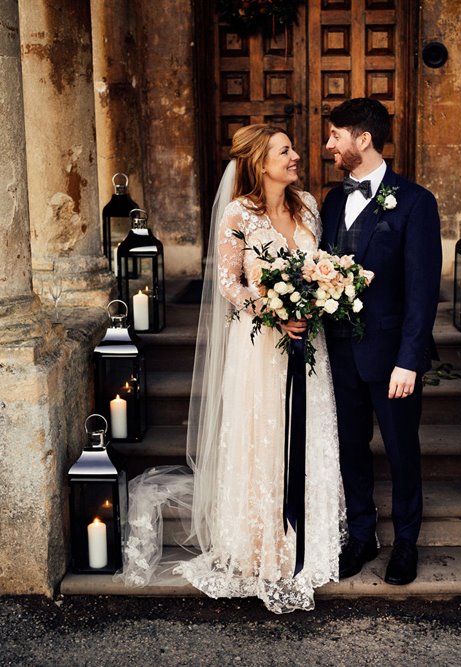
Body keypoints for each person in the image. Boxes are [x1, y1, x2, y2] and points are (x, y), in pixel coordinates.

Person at [173, 125, 345, 613]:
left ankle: (304, 545)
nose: (295, 157)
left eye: (292, 149)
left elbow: (321, 266)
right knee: (261, 438)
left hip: (308, 343)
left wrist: (318, 297)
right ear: (259, 162)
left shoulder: (308, 204)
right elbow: (229, 283)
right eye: (284, 150)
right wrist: (273, 309)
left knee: (308, 434)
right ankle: (258, 547)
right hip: (260, 347)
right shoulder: (238, 214)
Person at [320, 98, 441, 586]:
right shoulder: (331, 201)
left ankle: (406, 541)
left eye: (335, 136)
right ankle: (362, 534)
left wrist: (409, 360)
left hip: (391, 357)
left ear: (362, 140)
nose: (329, 146)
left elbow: (422, 289)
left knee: (400, 449)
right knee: (350, 446)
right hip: (337, 352)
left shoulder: (415, 202)